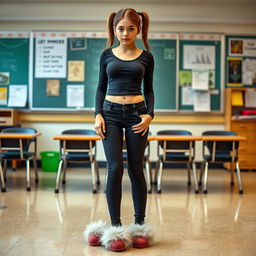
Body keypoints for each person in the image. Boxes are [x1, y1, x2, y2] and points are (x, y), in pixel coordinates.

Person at [83, 8, 154, 252]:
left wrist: (149, 115)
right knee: (115, 168)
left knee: (136, 169)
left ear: (139, 29)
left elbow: (150, 89)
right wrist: (97, 115)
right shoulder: (106, 55)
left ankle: (140, 225)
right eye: (120, 28)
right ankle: (115, 228)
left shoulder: (146, 56)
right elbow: (100, 87)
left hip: (137, 115)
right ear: (114, 29)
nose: (125, 33)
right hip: (110, 114)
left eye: (130, 28)